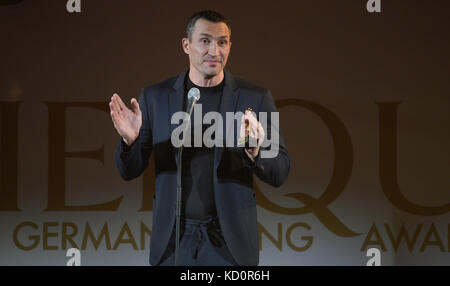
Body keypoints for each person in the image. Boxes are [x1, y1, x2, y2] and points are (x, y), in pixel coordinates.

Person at [109, 10, 290, 266]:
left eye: (222, 42)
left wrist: (255, 153)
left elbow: (279, 171)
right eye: (205, 41)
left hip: (229, 243)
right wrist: (130, 142)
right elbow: (129, 171)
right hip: (174, 241)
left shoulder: (254, 97)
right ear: (186, 45)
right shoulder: (156, 97)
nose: (214, 51)